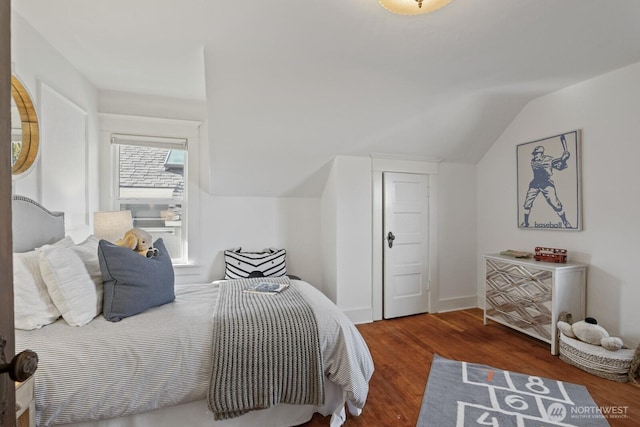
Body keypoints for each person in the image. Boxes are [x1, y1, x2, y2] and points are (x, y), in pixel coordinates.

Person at [521, 145, 571, 228]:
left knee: (556, 205)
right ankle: (526, 222)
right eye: (534, 154)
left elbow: (559, 167)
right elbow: (552, 163)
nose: (535, 155)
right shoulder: (533, 161)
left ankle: (565, 221)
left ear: (541, 154)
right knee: (527, 204)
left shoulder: (548, 159)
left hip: (546, 184)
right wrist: (563, 158)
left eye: (536, 154)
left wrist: (563, 160)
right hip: (535, 183)